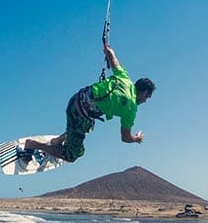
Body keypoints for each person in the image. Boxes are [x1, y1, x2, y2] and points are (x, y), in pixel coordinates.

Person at [25, 43, 155, 162]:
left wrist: (107, 49)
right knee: (71, 156)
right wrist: (136, 138)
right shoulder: (131, 108)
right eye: (147, 98)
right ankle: (33, 144)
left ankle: (57, 141)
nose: (145, 101)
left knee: (88, 124)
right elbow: (125, 138)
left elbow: (112, 57)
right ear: (143, 93)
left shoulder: (125, 77)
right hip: (79, 114)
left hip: (75, 99)